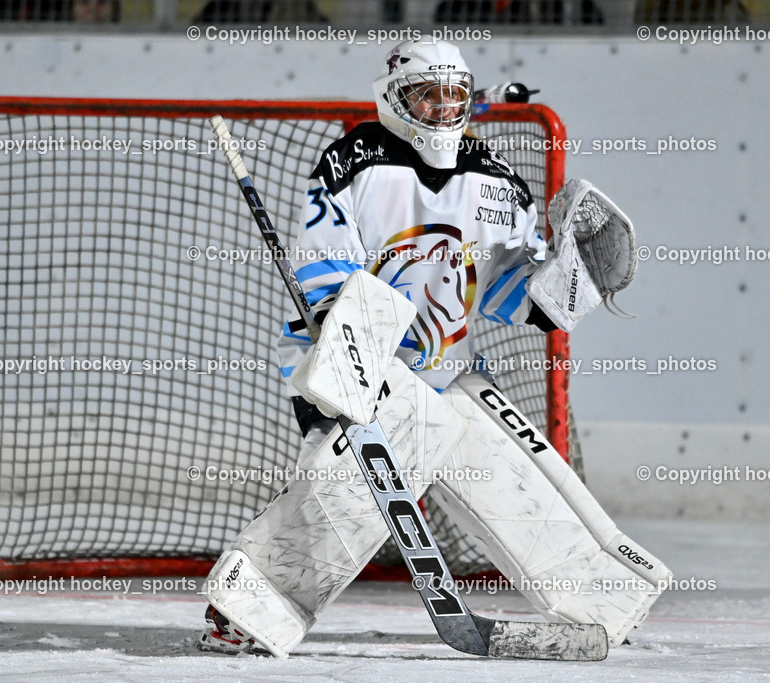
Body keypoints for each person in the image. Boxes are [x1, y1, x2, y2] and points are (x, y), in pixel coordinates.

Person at [198, 39, 670, 658]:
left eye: (453, 95)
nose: (442, 109)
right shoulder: (355, 159)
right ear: (395, 98)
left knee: (517, 476)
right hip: (357, 360)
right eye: (427, 94)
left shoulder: (494, 178)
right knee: (351, 487)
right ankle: (249, 608)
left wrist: (567, 285)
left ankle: (601, 602)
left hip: (448, 370)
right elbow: (325, 268)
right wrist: (356, 356)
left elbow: (513, 295)